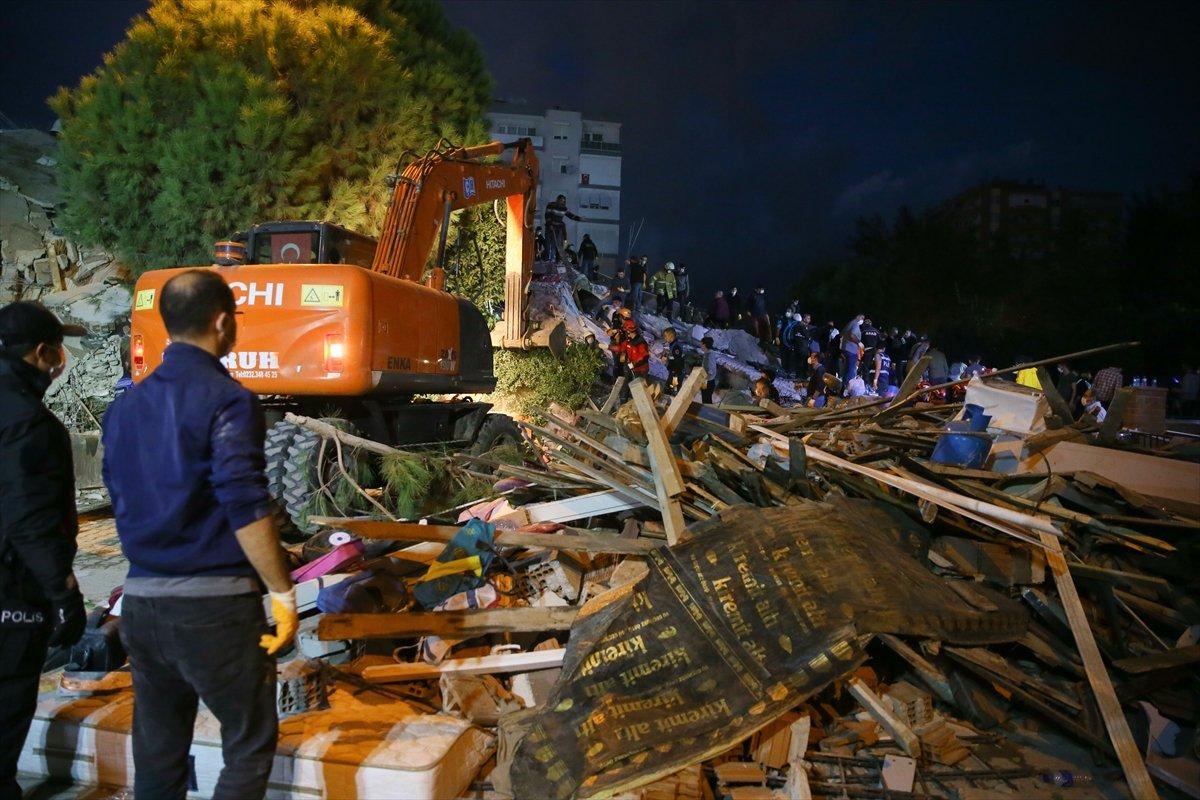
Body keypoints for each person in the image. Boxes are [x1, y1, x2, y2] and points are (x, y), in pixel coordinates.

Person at [102, 271, 297, 799]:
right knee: (248, 744)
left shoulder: (123, 409)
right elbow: (244, 500)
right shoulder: (228, 400)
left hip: (140, 606)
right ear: (221, 322)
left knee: (158, 755)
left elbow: (117, 493)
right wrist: (281, 591)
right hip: (213, 610)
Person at [0, 302, 88, 799]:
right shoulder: (29, 422)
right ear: (41, 353)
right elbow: (31, 521)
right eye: (57, 351)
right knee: (8, 699)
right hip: (11, 591)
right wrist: (63, 595)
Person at [544, 195, 583, 263]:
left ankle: (552, 260)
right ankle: (547, 258)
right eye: (561, 200)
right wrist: (550, 224)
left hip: (557, 229)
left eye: (563, 200)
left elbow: (571, 216)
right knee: (548, 244)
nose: (561, 201)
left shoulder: (564, 209)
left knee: (554, 244)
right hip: (549, 227)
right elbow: (547, 214)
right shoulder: (551, 205)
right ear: (557, 199)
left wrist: (579, 218)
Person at [661, 327, 685, 394]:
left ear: (671, 336)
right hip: (673, 372)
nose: (664, 338)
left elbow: (678, 361)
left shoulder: (676, 347)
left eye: (665, 336)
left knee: (674, 390)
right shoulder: (673, 345)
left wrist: (675, 373)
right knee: (669, 388)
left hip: (676, 373)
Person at [841, 314, 864, 380]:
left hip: (846, 348)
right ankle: (848, 386)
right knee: (851, 370)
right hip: (851, 350)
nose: (862, 320)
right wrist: (859, 342)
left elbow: (842, 333)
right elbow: (852, 335)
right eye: (862, 318)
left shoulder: (850, 323)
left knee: (847, 369)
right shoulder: (855, 324)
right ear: (857, 317)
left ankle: (844, 385)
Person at [700, 336, 718, 404]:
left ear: (704, 345)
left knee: (706, 401)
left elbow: (711, 370)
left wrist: (704, 379)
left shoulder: (710, 355)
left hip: (708, 382)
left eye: (701, 344)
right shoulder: (707, 354)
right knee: (706, 400)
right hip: (707, 381)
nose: (701, 346)